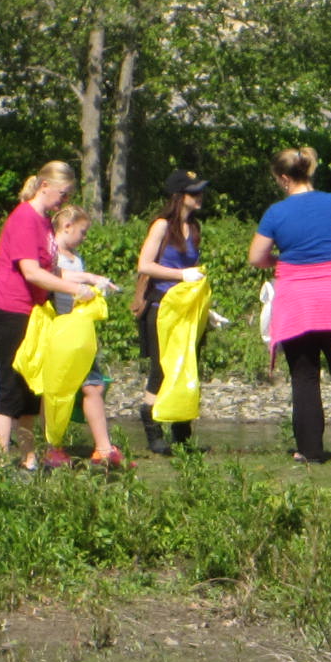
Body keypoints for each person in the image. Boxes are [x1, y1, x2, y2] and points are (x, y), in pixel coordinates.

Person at [0, 160, 114, 470]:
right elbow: (32, 273)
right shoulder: (25, 218)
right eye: (63, 194)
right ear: (44, 187)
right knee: (12, 385)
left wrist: (87, 278)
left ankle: (29, 460)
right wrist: (73, 291)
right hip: (7, 308)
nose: (65, 201)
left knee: (31, 385)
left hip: (32, 312)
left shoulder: (43, 220)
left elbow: (52, 268)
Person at [248, 148, 331, 465]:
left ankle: (310, 450)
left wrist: (282, 260)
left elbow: (256, 257)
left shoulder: (276, 213)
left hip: (297, 301)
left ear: (283, 179)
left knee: (304, 377)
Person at [133, 170, 209, 457]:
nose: (199, 197)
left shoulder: (195, 227)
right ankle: (152, 428)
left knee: (185, 365)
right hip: (161, 306)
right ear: (179, 197)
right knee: (162, 369)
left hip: (186, 309)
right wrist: (181, 275)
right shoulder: (162, 226)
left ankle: (182, 432)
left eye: (200, 191)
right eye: (194, 192)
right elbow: (145, 265)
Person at [48, 202, 125, 469]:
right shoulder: (51, 252)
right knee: (57, 390)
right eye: (82, 232)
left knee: (94, 385)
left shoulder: (75, 256)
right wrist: (89, 278)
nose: (84, 238)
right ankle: (52, 447)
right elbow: (54, 275)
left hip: (79, 332)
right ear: (66, 227)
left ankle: (104, 449)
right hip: (57, 330)